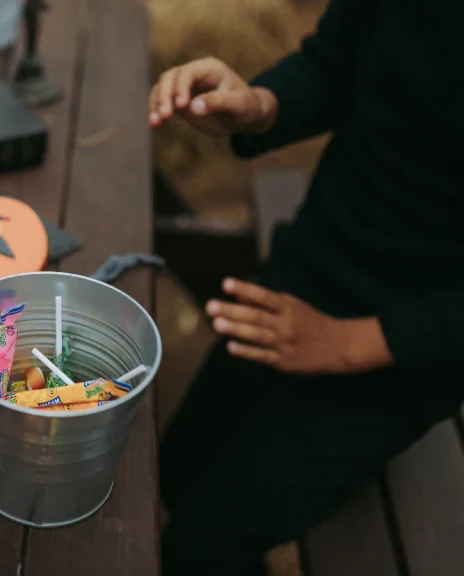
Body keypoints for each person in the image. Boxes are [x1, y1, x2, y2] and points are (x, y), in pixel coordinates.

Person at [147, 1, 463, 574]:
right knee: (173, 471)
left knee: (198, 550)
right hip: (314, 269)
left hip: (411, 352)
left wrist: (349, 343)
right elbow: (337, 62)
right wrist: (260, 105)